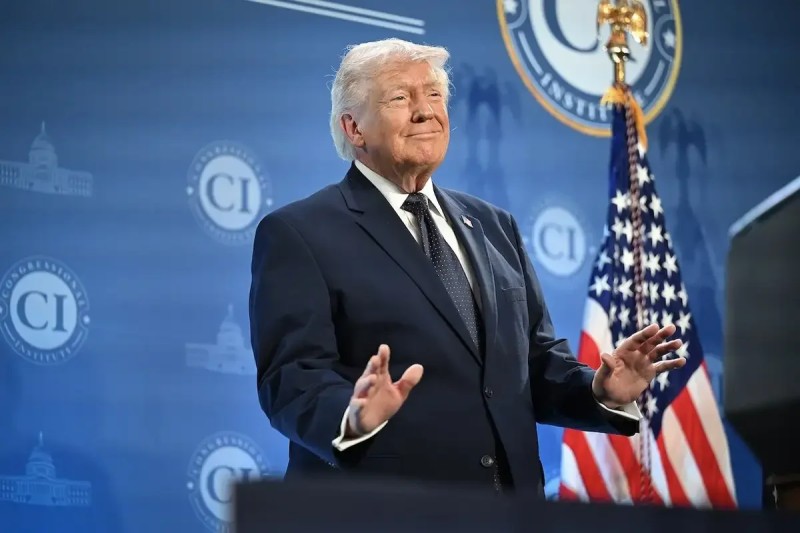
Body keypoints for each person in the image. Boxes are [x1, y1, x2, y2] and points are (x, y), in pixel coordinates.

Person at [248, 37, 685, 496]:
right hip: (387, 510)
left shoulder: (495, 226)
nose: (425, 111)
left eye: (434, 94)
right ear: (354, 128)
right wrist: (352, 418)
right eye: (400, 98)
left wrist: (600, 391)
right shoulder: (301, 233)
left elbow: (534, 364)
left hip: (511, 512)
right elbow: (292, 379)